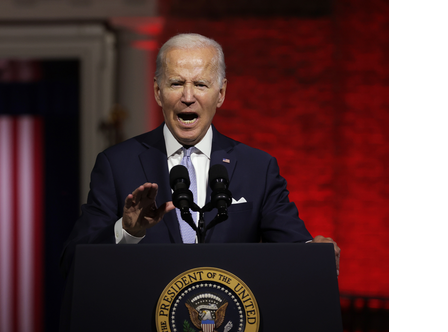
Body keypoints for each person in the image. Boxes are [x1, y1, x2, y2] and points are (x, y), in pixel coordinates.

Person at [61, 33, 340, 276]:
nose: (188, 96)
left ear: (221, 94)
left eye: (201, 84)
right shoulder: (116, 164)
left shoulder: (258, 168)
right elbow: (73, 260)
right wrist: (127, 231)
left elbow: (294, 248)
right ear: (158, 92)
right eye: (176, 83)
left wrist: (316, 254)